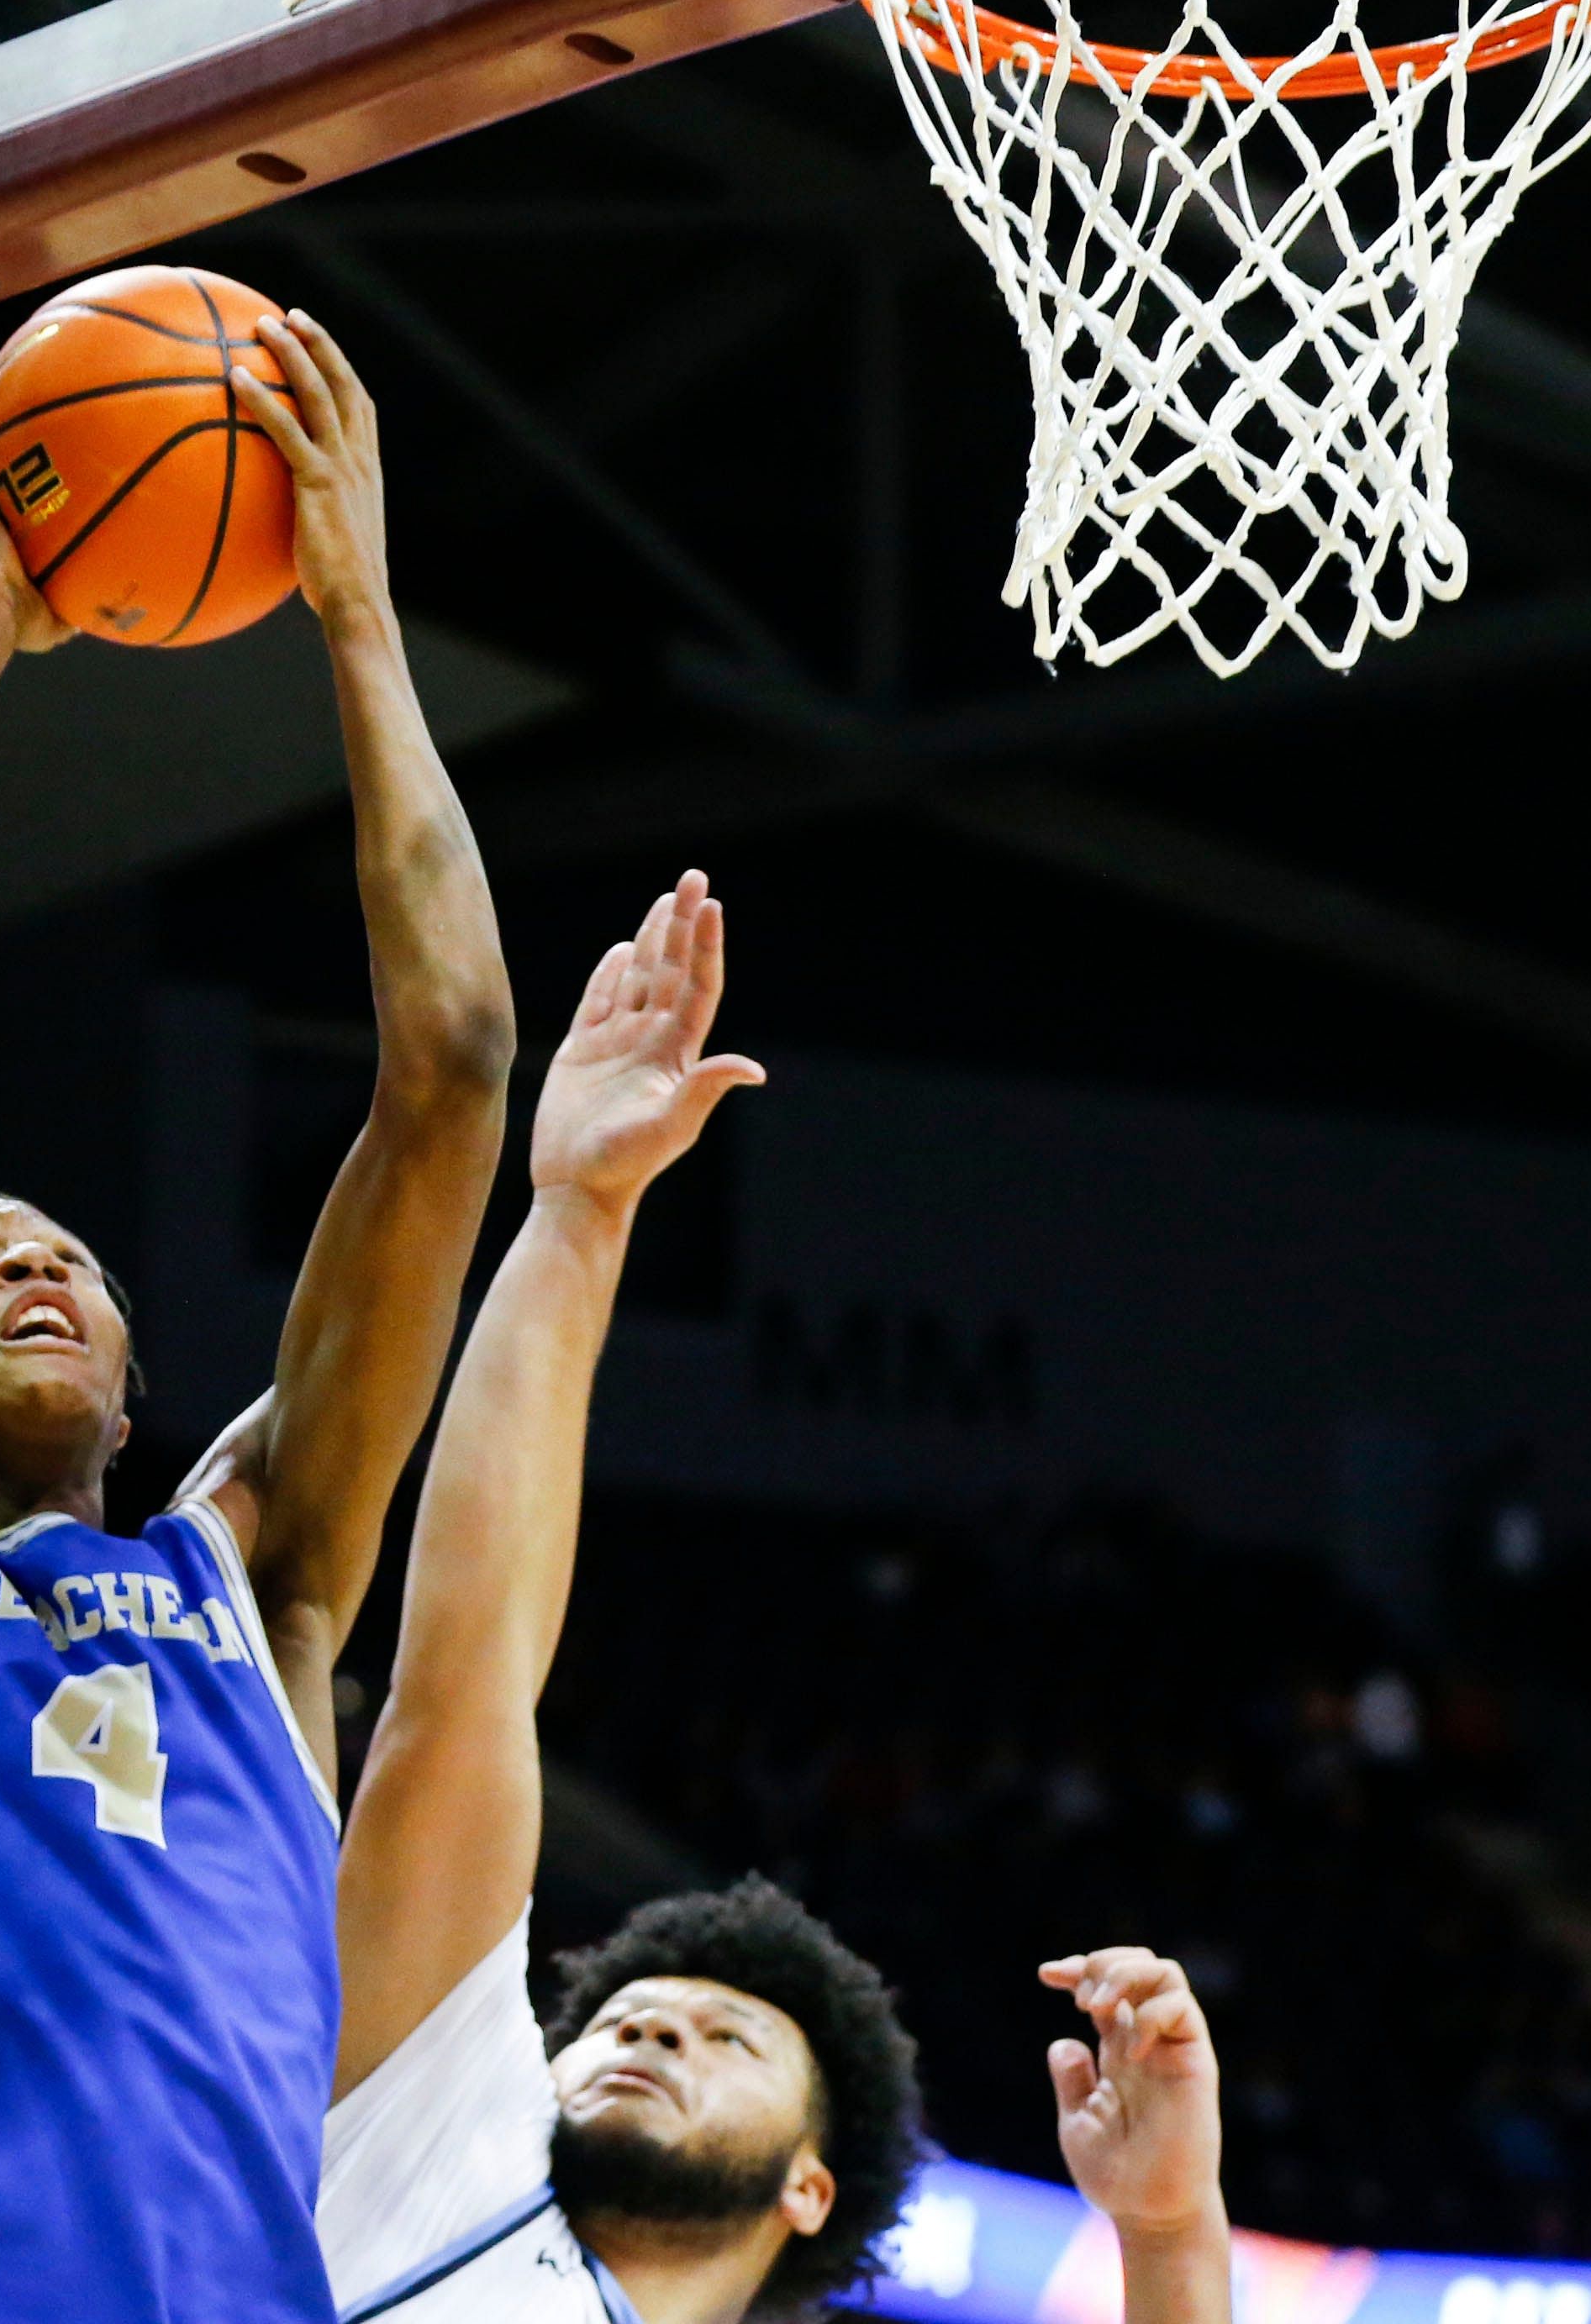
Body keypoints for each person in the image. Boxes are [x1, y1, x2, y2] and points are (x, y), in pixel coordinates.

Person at [0, 308, 514, 2324]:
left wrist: (360, 624)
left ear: (141, 1389)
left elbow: (459, 1068)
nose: (31, 1264)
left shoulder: (266, 1583)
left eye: (62, 1256)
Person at [315, 875, 1235, 2324]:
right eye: (625, 2022)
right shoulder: (423, 2148)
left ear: (810, 2184)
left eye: (724, 2040)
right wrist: (578, 1213)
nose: (652, 2033)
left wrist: (1172, 2231)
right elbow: (461, 1683)